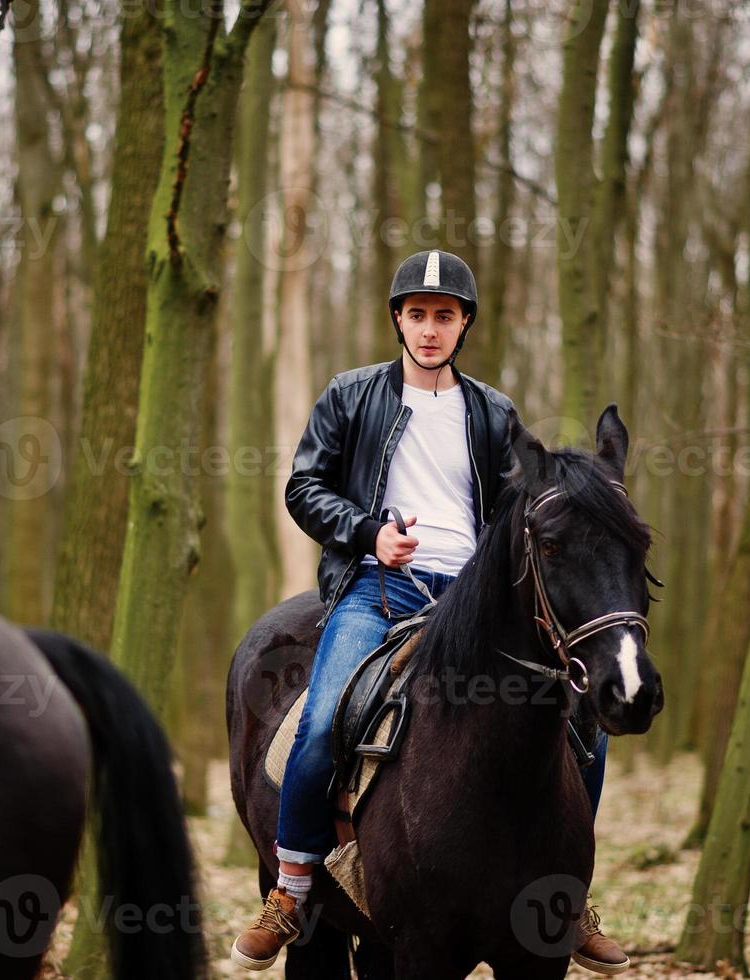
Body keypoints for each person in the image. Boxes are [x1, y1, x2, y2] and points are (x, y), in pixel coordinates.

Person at [231, 250, 628, 975]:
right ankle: (290, 891)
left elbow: (516, 514)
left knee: (584, 732)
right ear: (398, 321)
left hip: (474, 602)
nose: (429, 329)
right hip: (378, 591)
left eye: (444, 316)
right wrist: (368, 532)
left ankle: (564, 899)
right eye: (416, 315)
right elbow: (303, 487)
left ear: (463, 323)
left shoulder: (492, 410)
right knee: (321, 722)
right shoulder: (350, 395)